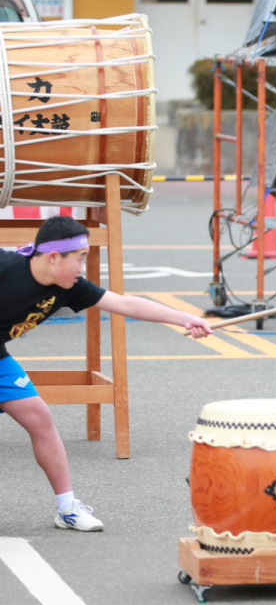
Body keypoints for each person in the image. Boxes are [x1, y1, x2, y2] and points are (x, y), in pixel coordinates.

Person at [1, 216, 213, 531]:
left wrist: (184, 318)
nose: (83, 267)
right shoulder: (6, 267)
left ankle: (67, 508)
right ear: (54, 257)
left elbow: (127, 304)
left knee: (39, 417)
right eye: (80, 259)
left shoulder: (70, 287)